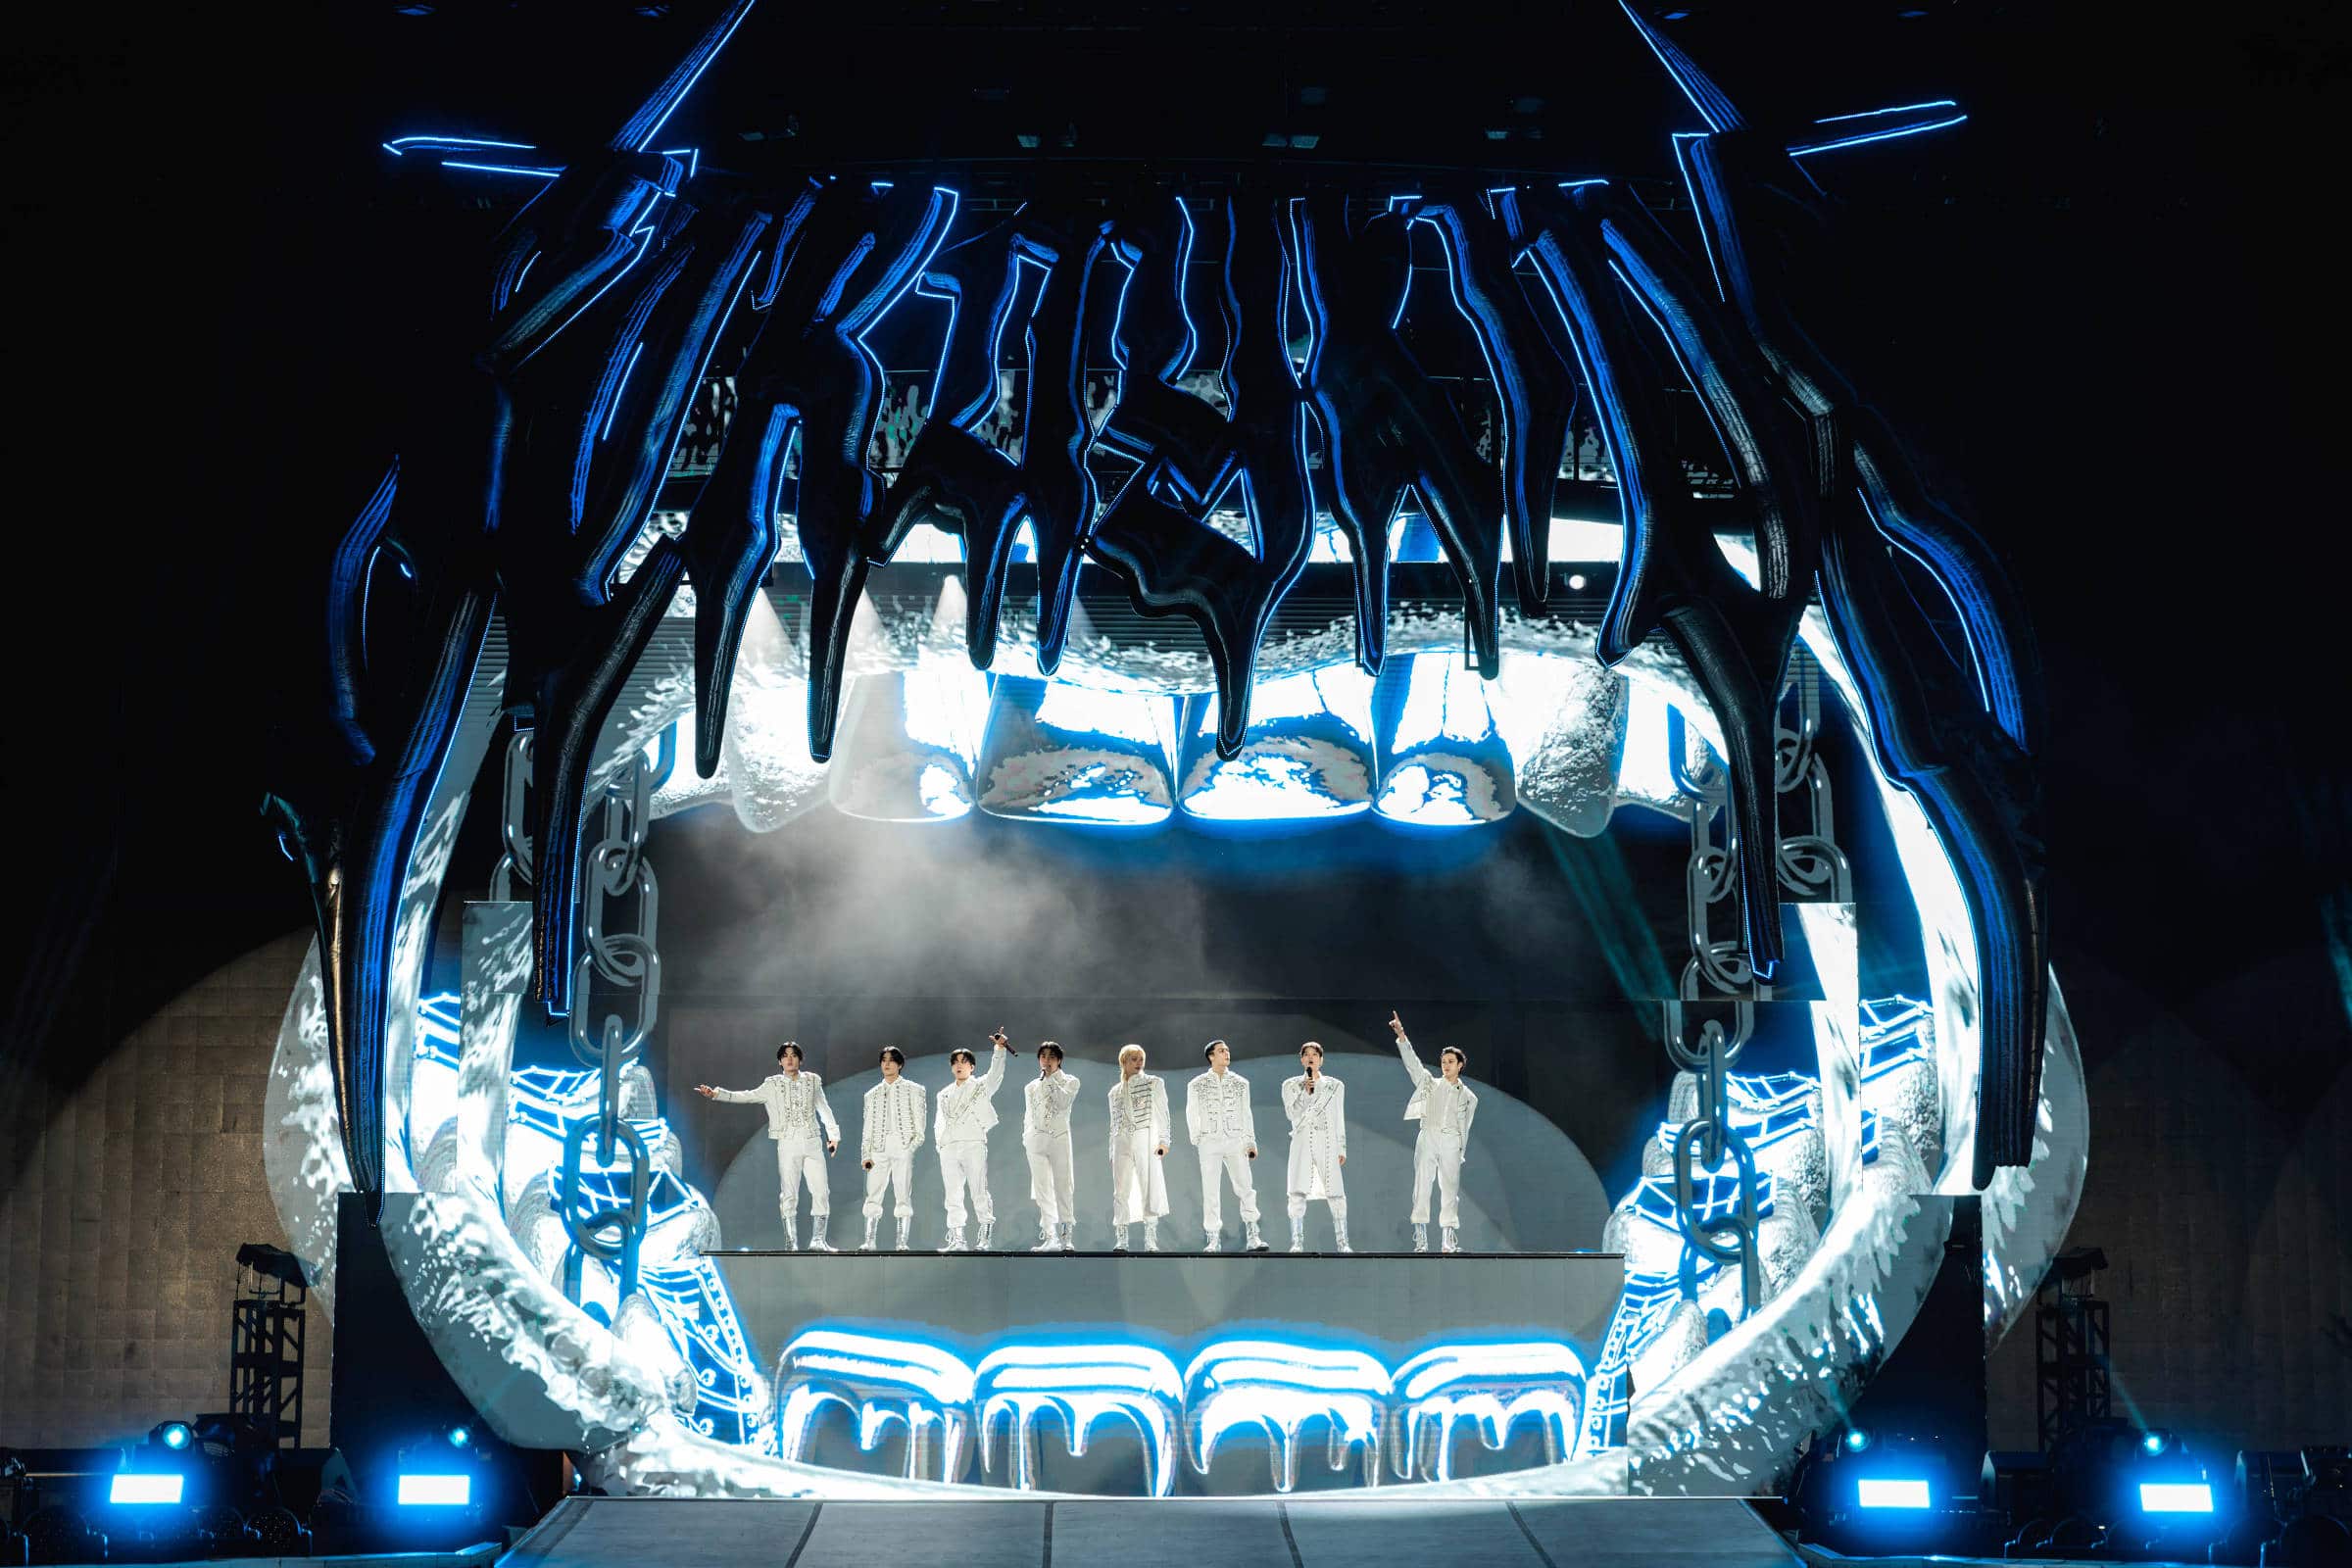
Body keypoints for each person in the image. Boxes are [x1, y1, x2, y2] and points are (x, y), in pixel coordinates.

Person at [697, 1041, 840, 1251]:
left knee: (821, 1189)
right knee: (789, 1192)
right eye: (785, 1056)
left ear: (800, 1059)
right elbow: (746, 1096)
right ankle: (791, 1242)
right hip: (788, 1142)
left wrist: (834, 1135)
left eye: (793, 1055)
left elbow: (824, 1109)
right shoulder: (772, 1084)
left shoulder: (812, 1081)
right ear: (780, 1061)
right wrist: (717, 1094)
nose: (790, 1059)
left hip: (812, 1141)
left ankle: (818, 1240)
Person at [1389, 1010, 1479, 1253]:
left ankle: (1448, 1241)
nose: (1445, 1064)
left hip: (1451, 1140)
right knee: (1422, 1185)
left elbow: (1465, 1129)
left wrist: (1460, 1151)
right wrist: (1402, 1037)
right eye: (1443, 1061)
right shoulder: (1430, 1083)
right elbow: (1413, 1065)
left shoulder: (1469, 1098)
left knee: (1450, 1189)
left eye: (1450, 1061)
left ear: (1460, 1065)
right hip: (1429, 1134)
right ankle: (1421, 1240)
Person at [934, 1028, 1011, 1251]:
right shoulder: (944, 1093)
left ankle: (984, 1238)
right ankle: (958, 1239)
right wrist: (941, 1144)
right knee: (953, 1194)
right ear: (951, 1067)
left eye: (964, 1062)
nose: (959, 1065)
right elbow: (939, 1122)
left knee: (979, 1190)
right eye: (956, 1062)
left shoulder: (980, 1086)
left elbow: (996, 1074)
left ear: (972, 1066)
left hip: (973, 1144)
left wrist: (999, 1049)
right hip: (949, 1147)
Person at [1186, 1039, 1267, 1252]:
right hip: (1210, 1141)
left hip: (1235, 1139)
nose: (1226, 1054)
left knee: (1245, 1187)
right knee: (1210, 1190)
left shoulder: (1241, 1083)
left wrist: (1250, 1141)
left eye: (1228, 1050)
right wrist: (1198, 1137)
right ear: (1211, 1056)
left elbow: (1246, 1113)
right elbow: (1192, 1112)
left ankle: (1253, 1234)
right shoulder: (1197, 1084)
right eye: (1222, 1051)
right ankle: (1213, 1238)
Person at [1282, 1041, 1350, 1252]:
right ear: (1301, 1059)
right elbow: (1291, 1114)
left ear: (1321, 1059)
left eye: (1315, 1054)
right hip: (1301, 1143)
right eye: (1307, 1054)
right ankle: (1297, 1242)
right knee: (1297, 1191)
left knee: (1335, 1192)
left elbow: (1339, 1117)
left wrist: (1342, 1148)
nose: (1311, 1057)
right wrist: (1305, 1092)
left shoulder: (1335, 1086)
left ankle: (1343, 1243)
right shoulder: (1290, 1085)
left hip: (1327, 1143)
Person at [858, 1047, 927, 1250]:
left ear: (899, 1064)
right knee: (873, 1193)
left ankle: (901, 1242)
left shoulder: (915, 1090)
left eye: (891, 1060)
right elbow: (867, 1128)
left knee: (903, 1192)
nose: (887, 1064)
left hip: (902, 1144)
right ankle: (869, 1240)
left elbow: (920, 1126)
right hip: (878, 1147)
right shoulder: (871, 1094)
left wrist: (910, 1147)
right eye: (884, 1060)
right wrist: (866, 1155)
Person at [1106, 1045, 1172, 1252]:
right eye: (1134, 1059)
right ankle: (1122, 1236)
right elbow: (1113, 1124)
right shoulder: (1114, 1092)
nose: (1138, 1063)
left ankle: (1150, 1237)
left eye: (1141, 1059)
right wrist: (1112, 1151)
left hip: (1145, 1137)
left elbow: (1163, 1114)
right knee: (1121, 1190)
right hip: (1121, 1141)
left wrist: (1164, 1141)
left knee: (1148, 1185)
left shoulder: (1154, 1083)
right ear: (1124, 1062)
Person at [1022, 1042, 1081, 1251]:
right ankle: (1050, 1237)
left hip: (1059, 1139)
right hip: (1036, 1141)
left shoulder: (1070, 1082)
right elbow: (1028, 1116)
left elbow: (1063, 1102)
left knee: (1063, 1186)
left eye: (1051, 1057)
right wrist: (1027, 1138)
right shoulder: (1031, 1087)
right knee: (1042, 1189)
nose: (1046, 1061)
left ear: (1059, 1060)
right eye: (1043, 1057)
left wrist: (1049, 1080)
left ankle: (1066, 1238)